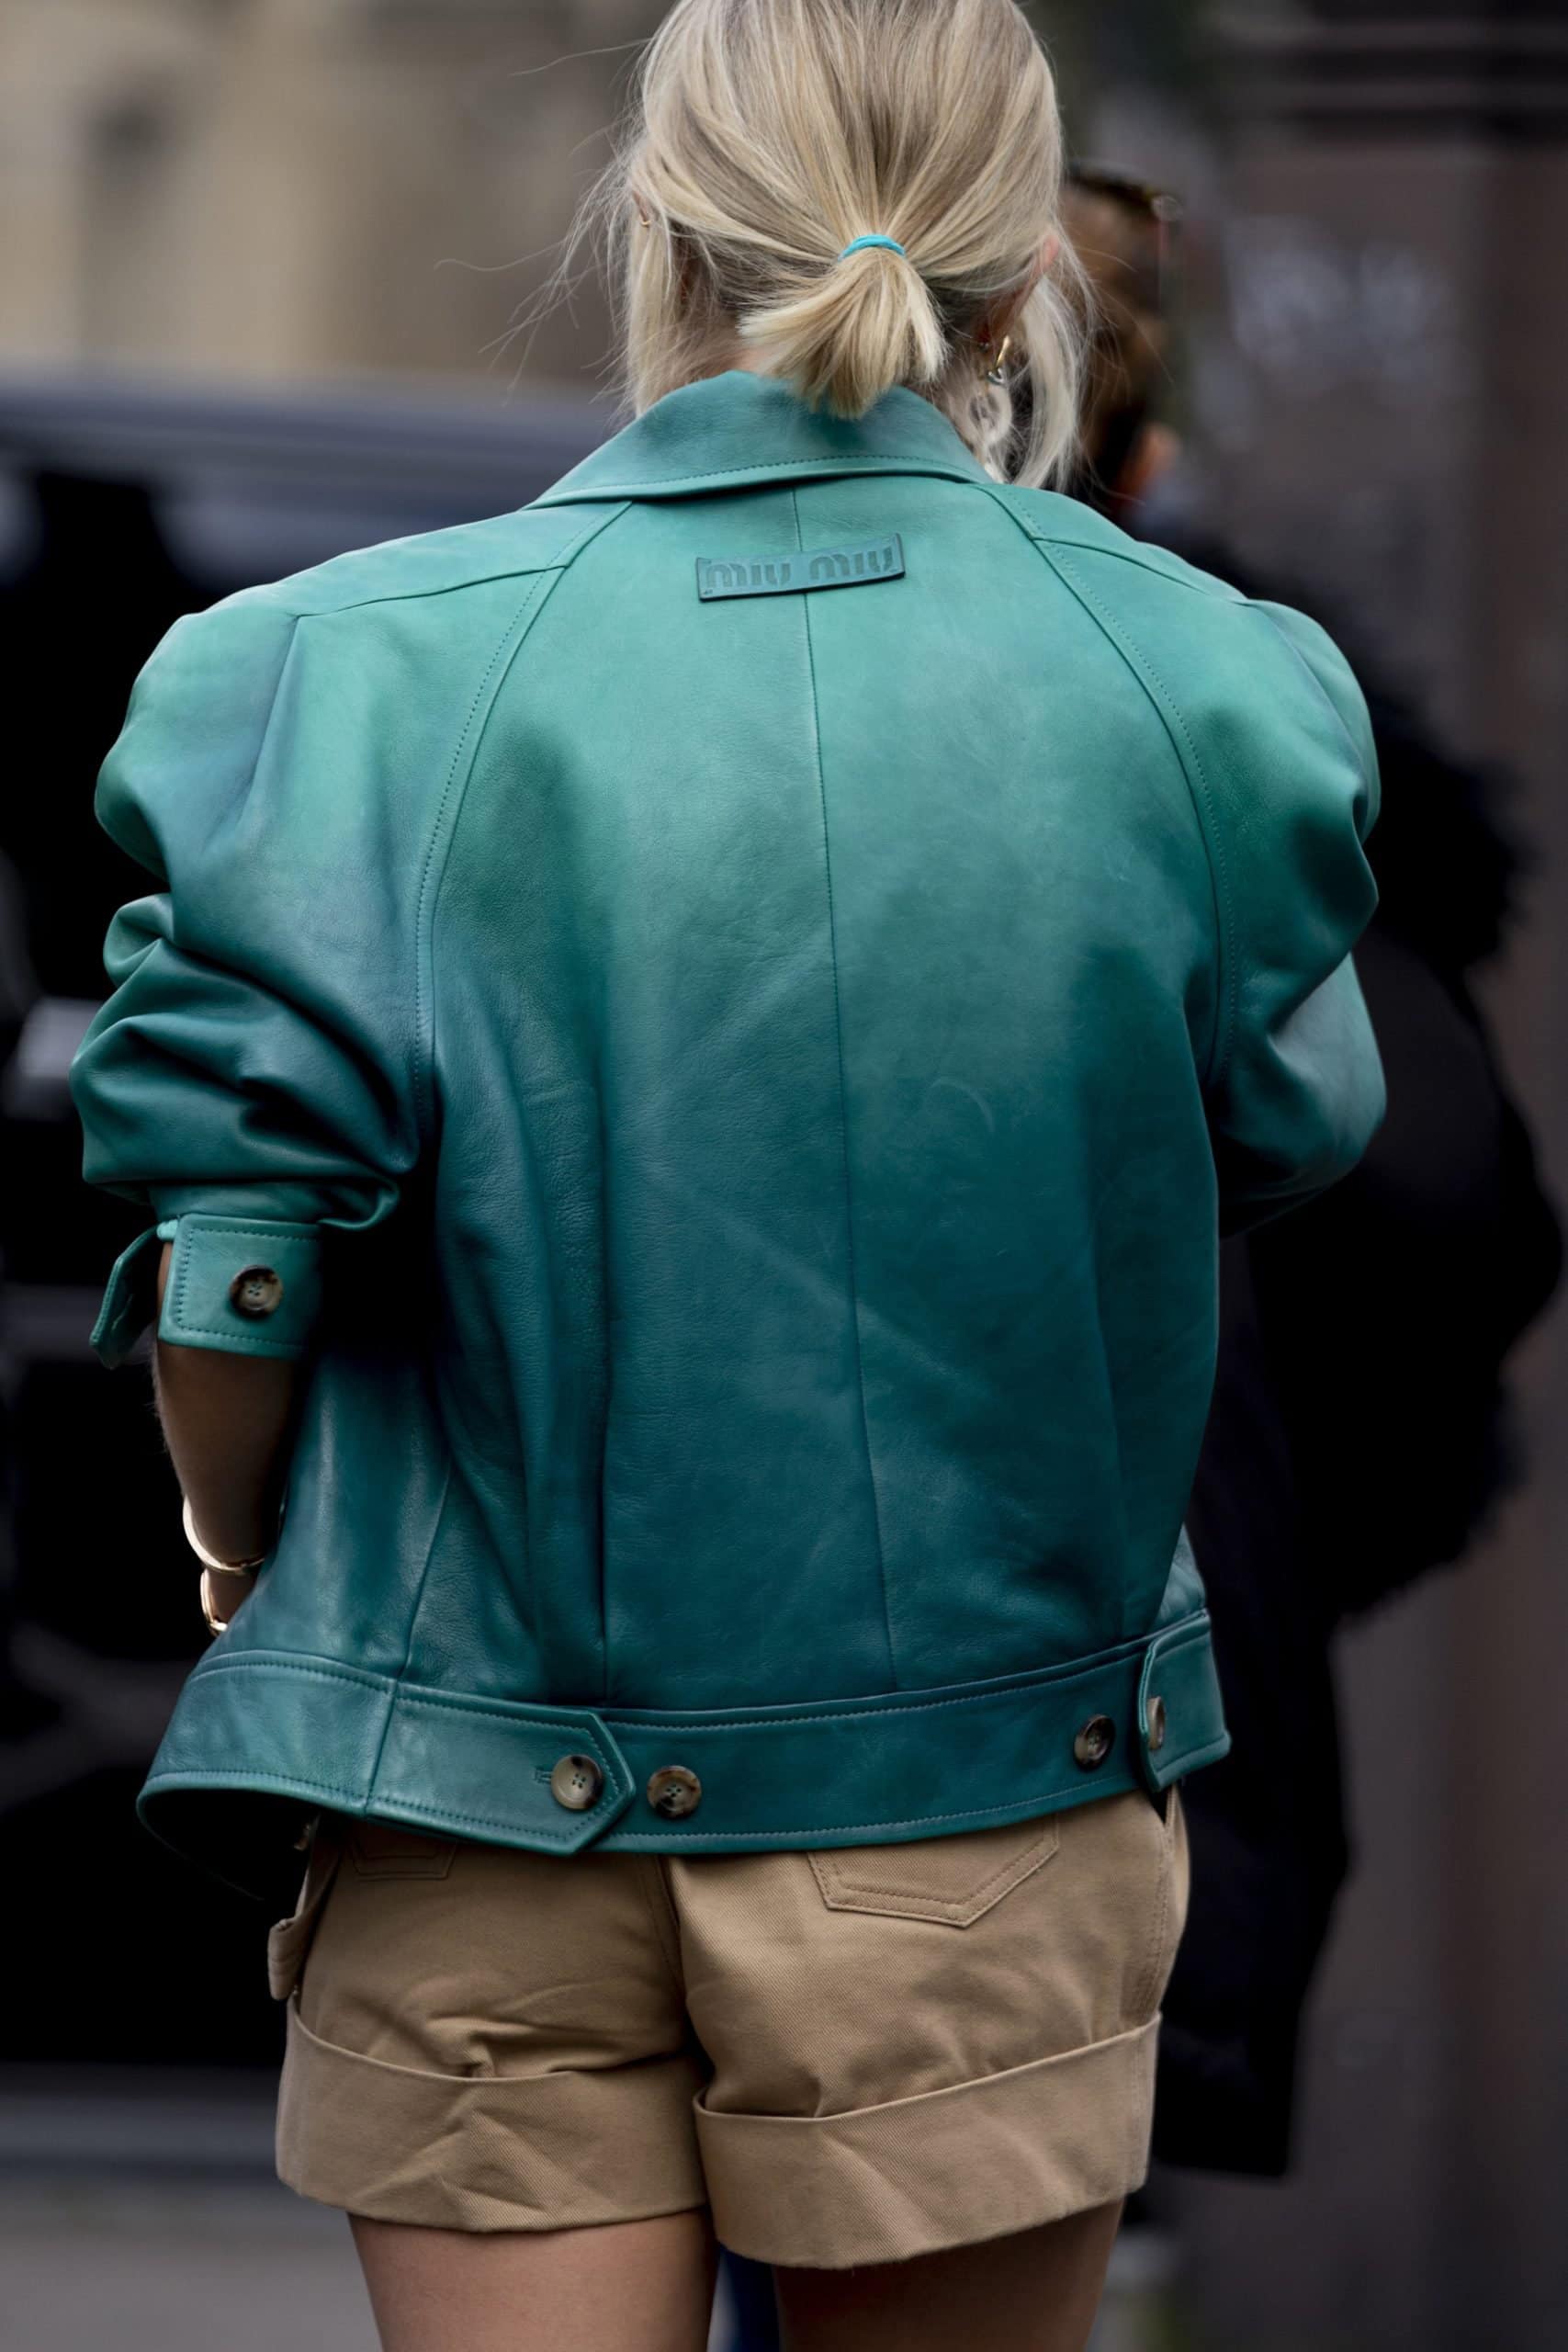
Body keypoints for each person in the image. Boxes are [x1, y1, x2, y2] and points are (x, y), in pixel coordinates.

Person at [69, 5, 1385, 2346]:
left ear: (655, 228)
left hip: (476, 1791)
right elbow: (1286, 1133)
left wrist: (242, 1548)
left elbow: (231, 1271)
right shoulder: (1201, 688)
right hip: (975, 1783)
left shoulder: (328, 674)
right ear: (1025, 268)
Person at [1057, 165, 1562, 2178]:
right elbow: (1445, 1215)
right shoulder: (1232, 736)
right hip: (1093, 1716)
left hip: (627, 1723)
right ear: (1147, 453)